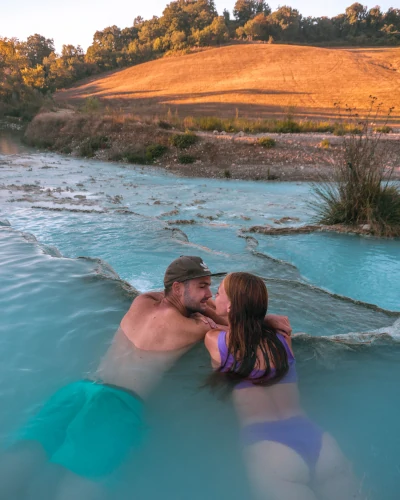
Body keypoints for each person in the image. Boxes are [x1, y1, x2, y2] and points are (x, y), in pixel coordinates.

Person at [0, 257, 291, 500]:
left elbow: (187, 305)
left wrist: (198, 305)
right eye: (203, 286)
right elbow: (239, 321)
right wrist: (268, 319)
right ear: (179, 287)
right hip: (117, 403)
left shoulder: (143, 300)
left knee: (28, 450)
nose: (208, 295)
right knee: (85, 479)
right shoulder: (195, 328)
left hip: (82, 388)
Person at [205, 272, 364, 500]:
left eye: (218, 292)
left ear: (231, 306)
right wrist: (266, 319)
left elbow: (206, 316)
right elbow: (255, 323)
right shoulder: (281, 337)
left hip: (271, 451)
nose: (213, 296)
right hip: (320, 443)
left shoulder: (215, 341)